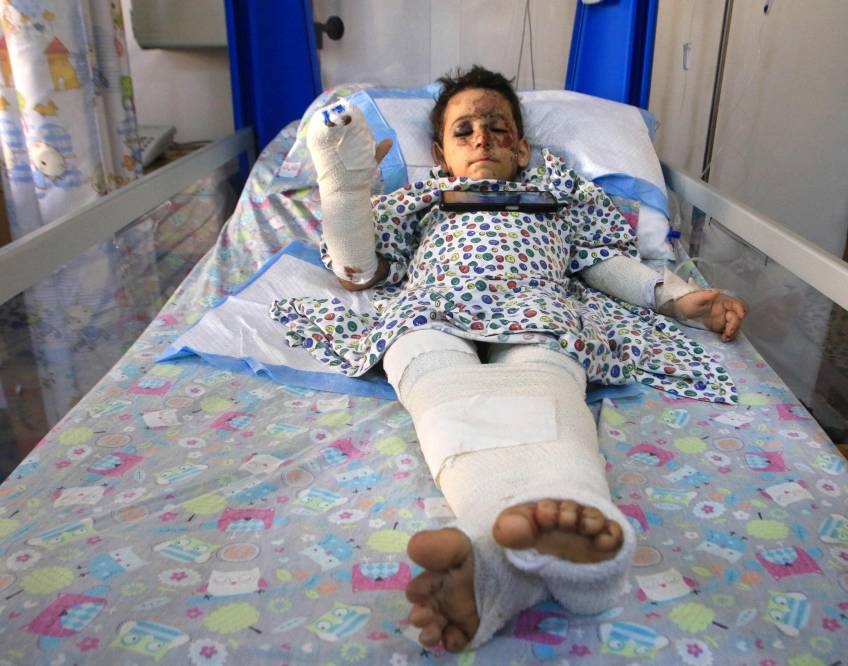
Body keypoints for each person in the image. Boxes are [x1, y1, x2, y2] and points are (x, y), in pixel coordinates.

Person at [271, 66, 747, 652]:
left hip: (536, 305)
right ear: (440, 155)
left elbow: (602, 261)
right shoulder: (423, 200)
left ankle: (504, 555)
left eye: (497, 127)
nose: (482, 138)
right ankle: (551, 545)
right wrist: (346, 196)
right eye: (463, 130)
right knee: (422, 359)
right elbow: (358, 274)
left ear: (521, 148)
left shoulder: (557, 196)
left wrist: (673, 296)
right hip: (433, 306)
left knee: (546, 370)